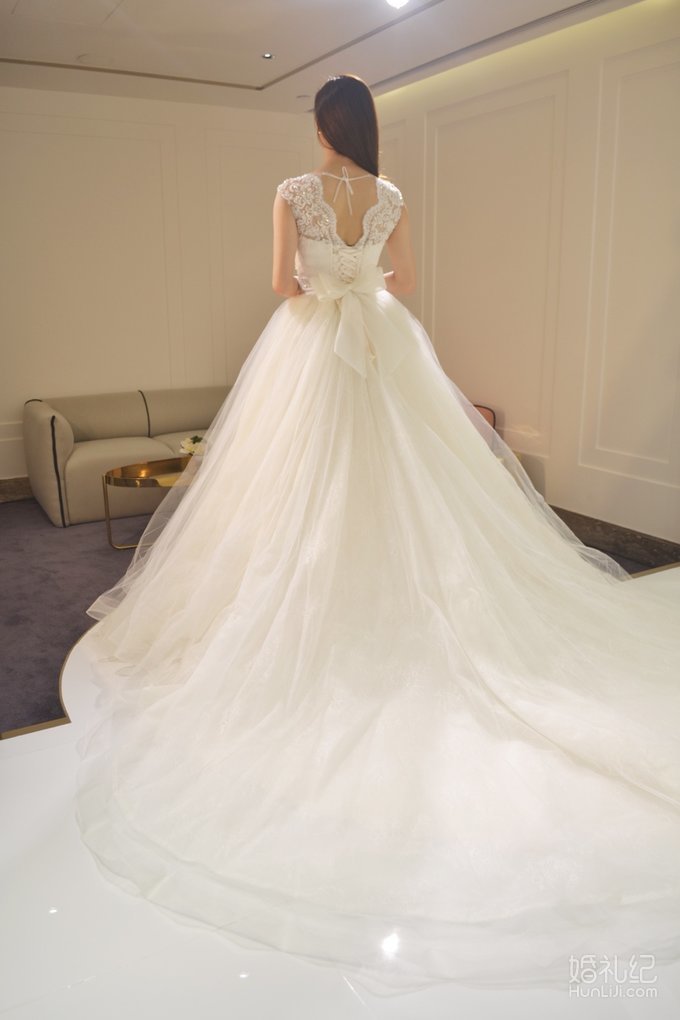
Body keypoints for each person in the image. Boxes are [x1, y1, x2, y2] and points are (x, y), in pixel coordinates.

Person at [76, 74, 680, 996]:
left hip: (313, 341)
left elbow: (280, 284)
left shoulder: (294, 190)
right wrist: (363, 279)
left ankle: (321, 615)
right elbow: (410, 280)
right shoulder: (390, 194)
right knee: (416, 481)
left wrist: (324, 281)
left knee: (297, 486)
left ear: (324, 125)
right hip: (384, 337)